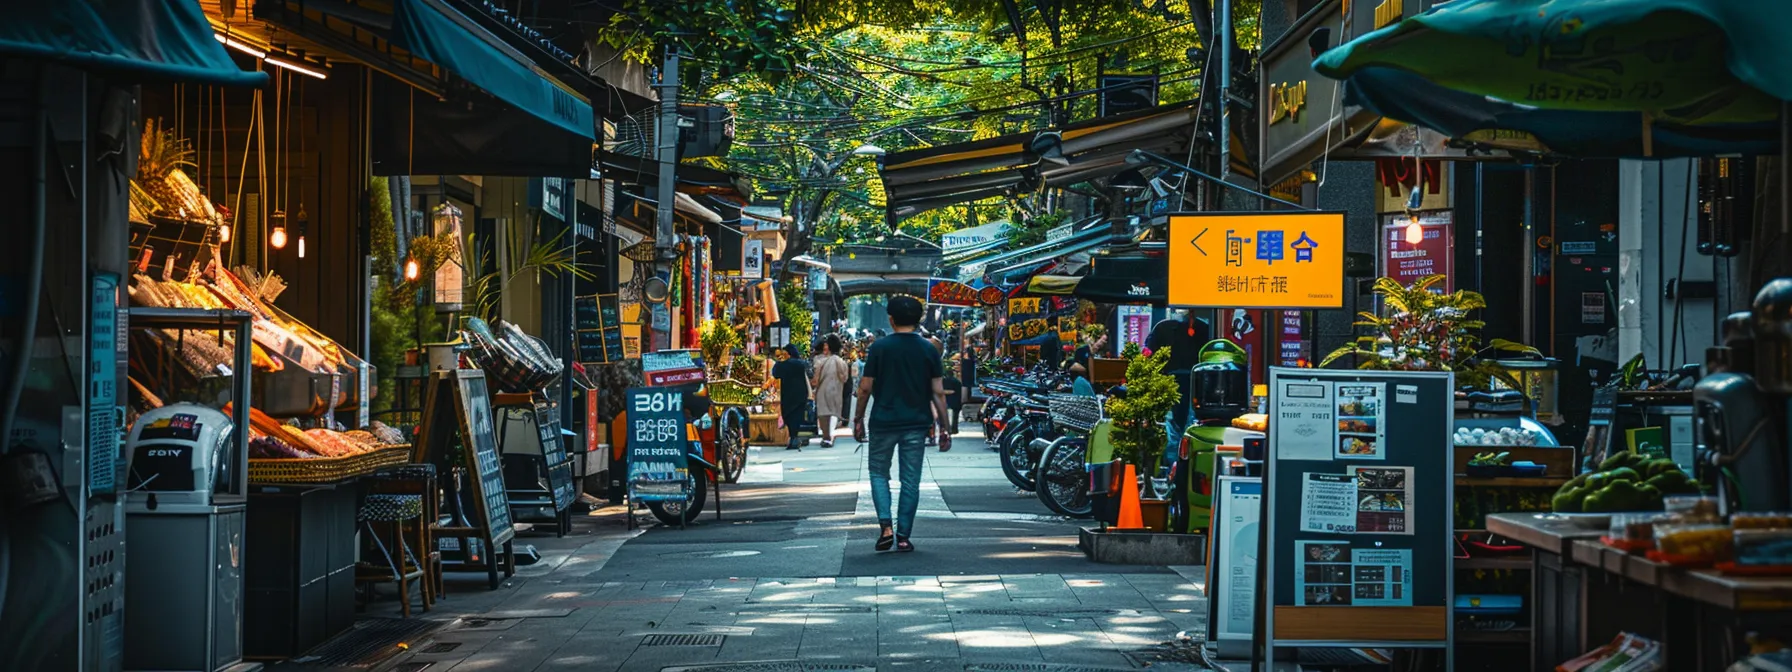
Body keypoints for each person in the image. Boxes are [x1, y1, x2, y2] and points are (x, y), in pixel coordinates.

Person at [854, 296, 949, 553]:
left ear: (891, 319)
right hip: (916, 424)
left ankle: (885, 526)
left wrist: (858, 419)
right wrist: (945, 427)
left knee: (878, 473)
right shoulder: (929, 349)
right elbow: (938, 392)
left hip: (883, 422)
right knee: (910, 480)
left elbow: (864, 388)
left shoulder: (879, 348)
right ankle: (904, 535)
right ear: (919, 320)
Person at [1145, 309, 1210, 437]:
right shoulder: (1205, 328)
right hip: (1195, 386)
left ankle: (1173, 454)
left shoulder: (1162, 327)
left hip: (1169, 385)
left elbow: (1148, 356)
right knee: (1187, 427)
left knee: (1171, 428)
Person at [810, 334, 850, 447]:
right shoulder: (841, 362)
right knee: (833, 413)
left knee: (823, 414)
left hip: (823, 391)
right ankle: (829, 436)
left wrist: (812, 386)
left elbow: (816, 379)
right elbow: (845, 378)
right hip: (836, 391)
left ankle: (826, 437)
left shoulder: (821, 362)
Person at [770, 344, 810, 450]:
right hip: (801, 393)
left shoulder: (783, 365)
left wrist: (778, 362)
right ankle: (794, 437)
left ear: (787, 354)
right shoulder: (802, 364)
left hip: (788, 394)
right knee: (798, 415)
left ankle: (793, 437)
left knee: (789, 415)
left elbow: (775, 373)